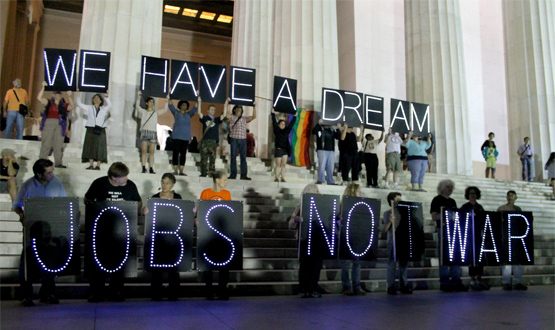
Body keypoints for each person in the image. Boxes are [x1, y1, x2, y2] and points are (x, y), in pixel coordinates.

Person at [84, 162, 142, 303]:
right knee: (98, 261)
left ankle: (115, 291)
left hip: (122, 230)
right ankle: (97, 292)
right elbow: (87, 200)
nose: (126, 179)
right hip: (101, 230)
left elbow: (138, 203)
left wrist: (128, 204)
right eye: (123, 177)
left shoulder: (130, 186)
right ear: (114, 177)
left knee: (120, 261)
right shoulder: (99, 183)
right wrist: (103, 203)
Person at [12, 159, 67, 306]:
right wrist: (22, 216)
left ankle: (48, 293)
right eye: (49, 172)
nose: (52, 174)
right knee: (27, 262)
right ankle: (26, 295)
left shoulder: (56, 183)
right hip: (33, 229)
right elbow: (16, 205)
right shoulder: (28, 185)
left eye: (52, 170)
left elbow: (64, 202)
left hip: (50, 228)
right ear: (39, 174)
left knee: (49, 261)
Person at [144, 173, 182, 301]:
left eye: (167, 183)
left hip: (173, 236)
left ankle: (173, 292)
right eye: (163, 182)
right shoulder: (154, 197)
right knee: (157, 267)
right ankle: (156, 293)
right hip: (158, 236)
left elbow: (182, 212)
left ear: (172, 185)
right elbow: (148, 213)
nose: (164, 185)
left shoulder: (177, 197)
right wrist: (145, 211)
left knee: (173, 267)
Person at [430, 179, 468, 292]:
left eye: (451, 187)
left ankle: (456, 281)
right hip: (443, 231)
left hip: (454, 231)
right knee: (444, 258)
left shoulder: (453, 201)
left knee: (456, 256)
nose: (450, 189)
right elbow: (434, 216)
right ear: (442, 188)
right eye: (447, 187)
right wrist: (446, 214)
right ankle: (444, 282)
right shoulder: (436, 200)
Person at [200, 171, 232, 300]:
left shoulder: (227, 194)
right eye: (224, 179)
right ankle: (209, 289)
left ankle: (222, 289)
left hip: (223, 233)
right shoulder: (206, 193)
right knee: (208, 263)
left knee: (224, 262)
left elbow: (230, 211)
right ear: (217, 180)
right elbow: (202, 209)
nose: (226, 182)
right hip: (209, 232)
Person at [289, 184, 323, 298]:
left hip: (317, 240)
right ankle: (304, 287)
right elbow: (291, 225)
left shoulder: (321, 207)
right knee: (305, 265)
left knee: (316, 265)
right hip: (304, 239)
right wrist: (296, 219)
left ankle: (312, 287)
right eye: (317, 191)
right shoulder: (301, 207)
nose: (319, 193)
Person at [37, 81, 74, 168]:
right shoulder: (49, 102)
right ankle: (42, 161)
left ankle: (58, 163)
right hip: (49, 122)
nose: (58, 95)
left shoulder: (64, 105)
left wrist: (69, 96)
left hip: (60, 124)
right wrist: (43, 88)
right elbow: (39, 98)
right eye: (56, 93)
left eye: (59, 94)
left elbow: (72, 106)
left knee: (58, 144)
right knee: (46, 143)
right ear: (53, 95)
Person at [460, 186, 490, 291]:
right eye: (470, 193)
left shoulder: (480, 207)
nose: (472, 195)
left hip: (478, 236)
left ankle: (479, 279)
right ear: (468, 195)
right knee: (471, 258)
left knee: (479, 258)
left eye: (474, 193)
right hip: (468, 236)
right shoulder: (465, 207)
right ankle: (472, 280)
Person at [383, 191, 412, 295]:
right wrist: (390, 221)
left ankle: (403, 284)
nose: (401, 201)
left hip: (403, 239)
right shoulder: (388, 213)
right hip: (393, 240)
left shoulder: (404, 212)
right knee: (392, 263)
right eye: (398, 200)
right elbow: (385, 229)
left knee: (403, 263)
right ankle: (390, 286)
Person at [497, 190, 527, 290]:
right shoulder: (501, 209)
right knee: (506, 262)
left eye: (512, 195)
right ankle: (506, 282)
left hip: (516, 238)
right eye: (509, 195)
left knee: (517, 261)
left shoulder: (518, 209)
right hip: (506, 238)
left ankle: (517, 282)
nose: (510, 197)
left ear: (515, 197)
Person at [340, 183, 366, 296]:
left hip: (357, 236)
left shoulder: (361, 205)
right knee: (346, 263)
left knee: (357, 263)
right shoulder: (343, 205)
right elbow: (335, 220)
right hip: (346, 236)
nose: (360, 193)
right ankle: (347, 286)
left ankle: (356, 286)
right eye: (358, 191)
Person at [75, 91, 111, 170]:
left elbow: (109, 106)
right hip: (91, 128)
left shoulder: (103, 109)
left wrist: (106, 98)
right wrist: (78, 96)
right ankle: (91, 164)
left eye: (97, 98)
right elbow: (79, 104)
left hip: (100, 128)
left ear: (100, 101)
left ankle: (98, 165)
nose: (96, 99)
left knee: (100, 146)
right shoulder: (89, 107)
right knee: (90, 146)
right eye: (94, 98)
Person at [135, 90, 168, 174]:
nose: (151, 103)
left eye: (152, 102)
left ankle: (151, 167)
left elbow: (164, 110)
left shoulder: (155, 113)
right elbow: (137, 107)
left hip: (152, 132)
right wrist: (138, 98)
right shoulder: (144, 112)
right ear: (147, 103)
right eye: (150, 102)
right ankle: (143, 167)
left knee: (152, 151)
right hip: (145, 132)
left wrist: (166, 101)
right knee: (144, 151)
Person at [168, 95, 199, 175]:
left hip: (185, 137)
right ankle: (175, 169)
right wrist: (169, 96)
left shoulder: (189, 114)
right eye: (183, 105)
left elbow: (195, 108)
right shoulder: (176, 113)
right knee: (175, 153)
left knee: (183, 154)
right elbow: (170, 105)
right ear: (180, 106)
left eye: (185, 105)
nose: (184, 106)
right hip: (176, 136)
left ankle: (181, 170)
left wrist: (197, 99)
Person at [228, 102, 256, 180]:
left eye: (240, 108)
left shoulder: (244, 118)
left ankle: (243, 175)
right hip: (234, 138)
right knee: (233, 157)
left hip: (243, 139)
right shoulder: (231, 117)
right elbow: (225, 116)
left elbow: (254, 116)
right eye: (237, 108)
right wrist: (226, 104)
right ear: (234, 110)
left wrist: (254, 107)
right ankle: (233, 174)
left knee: (243, 157)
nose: (238, 109)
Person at [199, 101, 227, 177]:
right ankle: (203, 172)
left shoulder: (217, 119)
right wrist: (199, 103)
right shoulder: (205, 118)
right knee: (204, 158)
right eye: (211, 109)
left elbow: (224, 115)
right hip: (205, 140)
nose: (212, 110)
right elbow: (199, 113)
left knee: (212, 158)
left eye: (214, 109)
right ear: (208, 110)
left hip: (213, 141)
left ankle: (211, 173)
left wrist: (225, 105)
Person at [271, 108, 297, 182]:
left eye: (284, 124)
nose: (283, 125)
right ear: (279, 125)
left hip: (285, 150)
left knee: (283, 165)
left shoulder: (286, 131)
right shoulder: (277, 130)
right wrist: (272, 114)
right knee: (278, 164)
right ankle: (276, 177)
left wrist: (295, 117)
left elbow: (291, 125)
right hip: (278, 150)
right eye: (281, 124)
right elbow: (273, 122)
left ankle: (282, 178)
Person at [312, 119, 340, 185]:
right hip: (322, 150)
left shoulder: (332, 130)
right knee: (322, 166)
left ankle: (330, 181)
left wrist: (338, 129)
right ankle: (321, 179)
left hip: (330, 151)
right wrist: (318, 124)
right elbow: (313, 132)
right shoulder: (320, 129)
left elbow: (338, 137)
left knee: (330, 167)